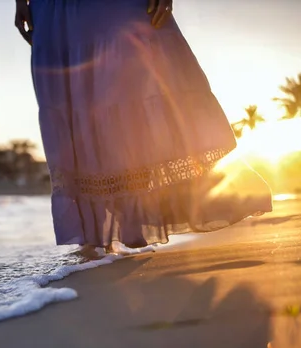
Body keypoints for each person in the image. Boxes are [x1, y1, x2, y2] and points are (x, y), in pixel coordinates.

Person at [15, 0, 272, 256]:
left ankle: (150, 212)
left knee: (145, 73)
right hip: (52, 7)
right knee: (74, 97)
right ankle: (98, 233)